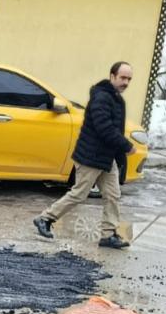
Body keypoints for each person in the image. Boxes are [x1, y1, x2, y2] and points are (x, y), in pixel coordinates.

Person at [34, 61, 136, 249]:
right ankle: (45, 218)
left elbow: (115, 130)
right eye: (123, 78)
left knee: (113, 195)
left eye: (129, 79)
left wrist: (119, 156)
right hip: (91, 156)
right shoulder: (102, 97)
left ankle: (108, 235)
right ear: (112, 76)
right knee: (80, 194)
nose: (126, 82)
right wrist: (126, 146)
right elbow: (104, 128)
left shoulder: (116, 98)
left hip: (106, 158)